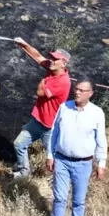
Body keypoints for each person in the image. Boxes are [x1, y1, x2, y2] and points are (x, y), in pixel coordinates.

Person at [45, 77, 107, 216]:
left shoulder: (97, 113)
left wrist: (101, 164)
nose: (77, 92)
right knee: (59, 198)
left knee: (79, 201)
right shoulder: (64, 107)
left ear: (91, 93)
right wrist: (50, 155)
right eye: (76, 89)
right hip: (62, 160)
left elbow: (101, 140)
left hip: (83, 163)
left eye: (82, 90)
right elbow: (54, 133)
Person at [11, 37, 72, 179]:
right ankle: (24, 173)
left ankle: (63, 177)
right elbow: (37, 56)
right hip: (38, 120)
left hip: (49, 127)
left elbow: (39, 92)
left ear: (63, 63)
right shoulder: (53, 70)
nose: (51, 60)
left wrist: (43, 81)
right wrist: (24, 44)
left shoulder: (62, 83)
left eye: (56, 59)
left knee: (55, 155)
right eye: (52, 57)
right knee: (19, 144)